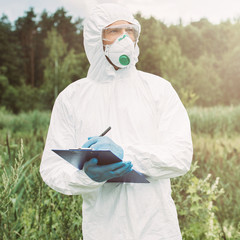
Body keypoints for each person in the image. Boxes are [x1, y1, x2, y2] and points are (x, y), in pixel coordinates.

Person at [39, 3, 193, 240]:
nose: (125, 39)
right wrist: (87, 176)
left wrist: (127, 156)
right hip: (103, 231)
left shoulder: (159, 90)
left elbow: (180, 157)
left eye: (129, 31)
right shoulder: (72, 98)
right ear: (95, 39)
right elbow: (51, 169)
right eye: (113, 32)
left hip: (157, 228)